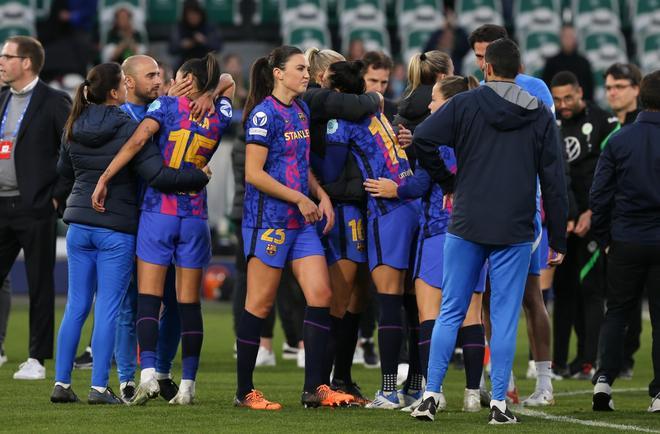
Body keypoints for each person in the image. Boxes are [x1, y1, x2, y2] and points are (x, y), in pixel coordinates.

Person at [411, 38, 567, 424]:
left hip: (467, 221)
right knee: (505, 315)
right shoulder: (539, 113)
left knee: (451, 311)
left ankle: (430, 396)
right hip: (515, 225)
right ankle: (499, 403)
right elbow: (553, 179)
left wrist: (449, 182)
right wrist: (558, 236)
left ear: (488, 68)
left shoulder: (464, 103)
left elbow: (423, 139)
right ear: (519, 69)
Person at [50, 62, 210, 404]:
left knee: (75, 305)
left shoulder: (74, 123)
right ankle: (98, 388)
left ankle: (61, 384)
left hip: (78, 225)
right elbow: (157, 175)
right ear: (115, 91)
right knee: (109, 307)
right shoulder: (129, 126)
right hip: (116, 227)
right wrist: (200, 176)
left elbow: (63, 172)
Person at [91, 54, 235, 405]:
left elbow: (138, 141)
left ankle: (148, 376)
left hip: (159, 212)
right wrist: (211, 93)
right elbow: (229, 79)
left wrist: (105, 177)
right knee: (189, 304)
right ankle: (187, 385)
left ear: (185, 79)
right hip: (195, 217)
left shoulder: (165, 106)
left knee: (148, 299)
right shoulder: (220, 113)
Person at [234, 45, 353, 410]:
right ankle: (244, 392)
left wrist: (319, 195)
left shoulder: (301, 109)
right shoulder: (262, 115)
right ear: (278, 74)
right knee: (260, 303)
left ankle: (315, 387)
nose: (307, 74)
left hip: (300, 223)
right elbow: (254, 174)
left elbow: (302, 166)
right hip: (268, 221)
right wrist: (298, 198)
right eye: (300, 68)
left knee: (321, 296)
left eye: (306, 68)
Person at [365, 75, 487, 413]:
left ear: (449, 103)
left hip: (438, 232)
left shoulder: (439, 134)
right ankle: (473, 395)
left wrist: (395, 189)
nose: (429, 105)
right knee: (472, 316)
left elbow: (422, 182)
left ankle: (434, 392)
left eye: (434, 99)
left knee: (429, 315)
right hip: (477, 233)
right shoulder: (483, 134)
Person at [466, 24, 560, 407]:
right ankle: (500, 380)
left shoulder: (535, 88)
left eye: (486, 52)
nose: (481, 61)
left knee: (530, 295)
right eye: (476, 54)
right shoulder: (476, 90)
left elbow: (548, 153)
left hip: (527, 205)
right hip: (488, 205)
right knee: (487, 298)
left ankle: (544, 382)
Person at [323, 60, 419, 410]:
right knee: (412, 301)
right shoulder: (379, 115)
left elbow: (333, 171)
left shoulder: (340, 121)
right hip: (412, 204)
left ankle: (390, 391)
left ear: (336, 91)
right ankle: (415, 388)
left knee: (389, 300)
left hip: (386, 209)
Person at [304, 47, 382, 404]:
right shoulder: (321, 106)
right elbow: (332, 166)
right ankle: (323, 383)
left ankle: (342, 378)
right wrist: (373, 98)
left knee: (358, 296)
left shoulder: (340, 107)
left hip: (359, 205)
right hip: (340, 208)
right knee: (340, 294)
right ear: (324, 76)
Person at [0, 36, 72, 380]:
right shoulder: (0, 99)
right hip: (1, 204)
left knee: (40, 284)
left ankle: (37, 359)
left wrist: (57, 194)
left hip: (36, 205)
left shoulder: (54, 101)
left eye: (7, 56)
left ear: (26, 62)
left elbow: (73, 150)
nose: (1, 61)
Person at [590, 70, 660, 413]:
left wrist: (604, 237)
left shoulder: (619, 141)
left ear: (642, 98)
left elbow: (599, 196)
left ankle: (603, 381)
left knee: (617, 313)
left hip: (625, 239)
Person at [550, 71, 619, 381]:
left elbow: (613, 173)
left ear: (580, 93)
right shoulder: (550, 124)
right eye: (557, 99)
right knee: (562, 292)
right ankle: (558, 362)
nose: (563, 105)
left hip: (594, 219)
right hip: (563, 220)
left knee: (592, 291)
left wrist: (592, 211)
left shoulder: (604, 122)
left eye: (568, 98)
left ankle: (589, 360)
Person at [603, 62, 644, 377]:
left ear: (637, 89)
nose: (612, 93)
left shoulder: (632, 133)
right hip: (614, 226)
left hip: (625, 229)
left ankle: (619, 363)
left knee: (621, 303)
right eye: (608, 87)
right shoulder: (609, 129)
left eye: (619, 86)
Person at [542, 25, 594, 101]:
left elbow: (590, 91)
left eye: (571, 36)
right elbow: (545, 89)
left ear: (575, 39)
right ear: (560, 38)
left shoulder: (584, 63)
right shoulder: (551, 63)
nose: (568, 40)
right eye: (565, 36)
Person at [170, 0, 222, 69]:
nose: (193, 17)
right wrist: (182, 45)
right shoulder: (180, 27)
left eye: (195, 14)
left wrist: (204, 41)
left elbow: (218, 47)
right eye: (190, 15)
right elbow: (171, 48)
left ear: (200, 14)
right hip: (184, 63)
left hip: (205, 63)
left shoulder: (209, 27)